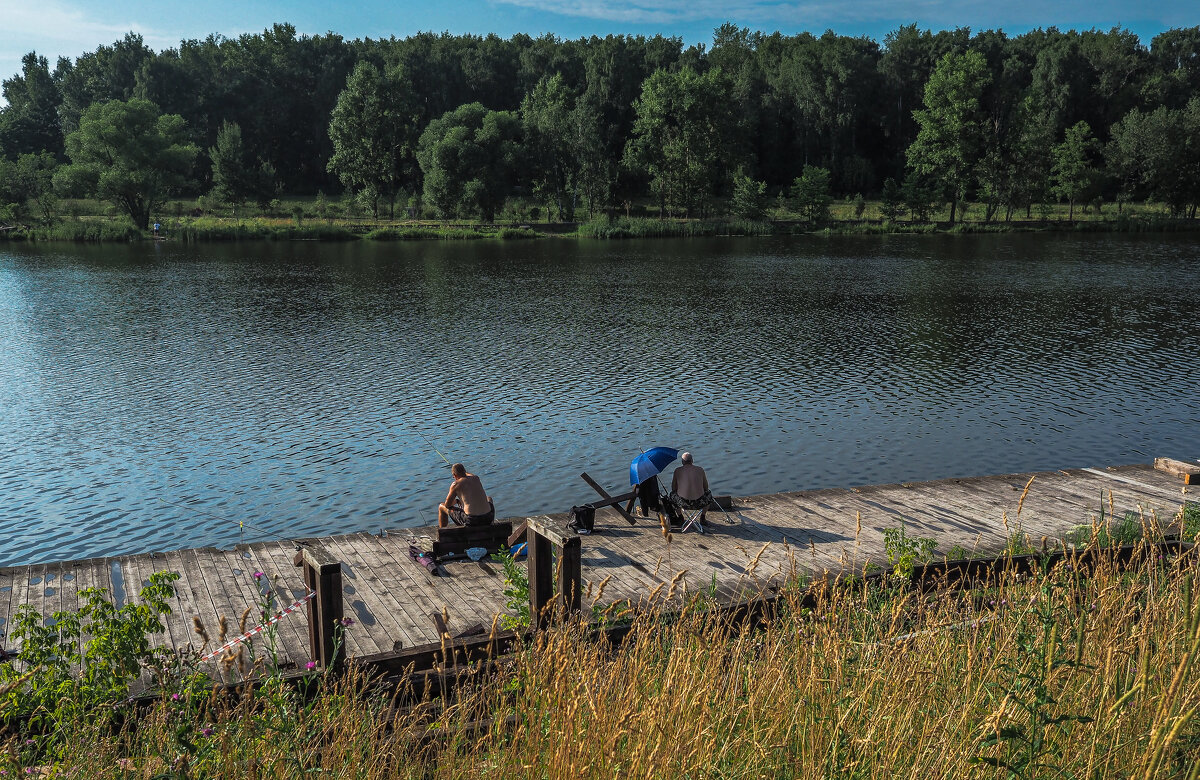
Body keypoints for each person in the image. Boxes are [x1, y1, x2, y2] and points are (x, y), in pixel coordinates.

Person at [438, 463, 495, 527]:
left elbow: (447, 505)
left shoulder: (455, 484)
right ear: (465, 471)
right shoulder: (476, 478)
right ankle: (491, 524)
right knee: (489, 498)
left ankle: (442, 532)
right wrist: (464, 472)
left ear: (454, 475)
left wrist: (456, 501)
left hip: (471, 521)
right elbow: (470, 475)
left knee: (441, 506)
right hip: (488, 518)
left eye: (453, 476)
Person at [669, 451, 712, 525]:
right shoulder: (700, 470)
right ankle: (703, 517)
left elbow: (673, 488)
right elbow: (706, 487)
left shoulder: (677, 470)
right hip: (699, 503)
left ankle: (680, 517)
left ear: (682, 462)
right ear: (692, 461)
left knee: (672, 495)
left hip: (683, 503)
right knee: (709, 493)